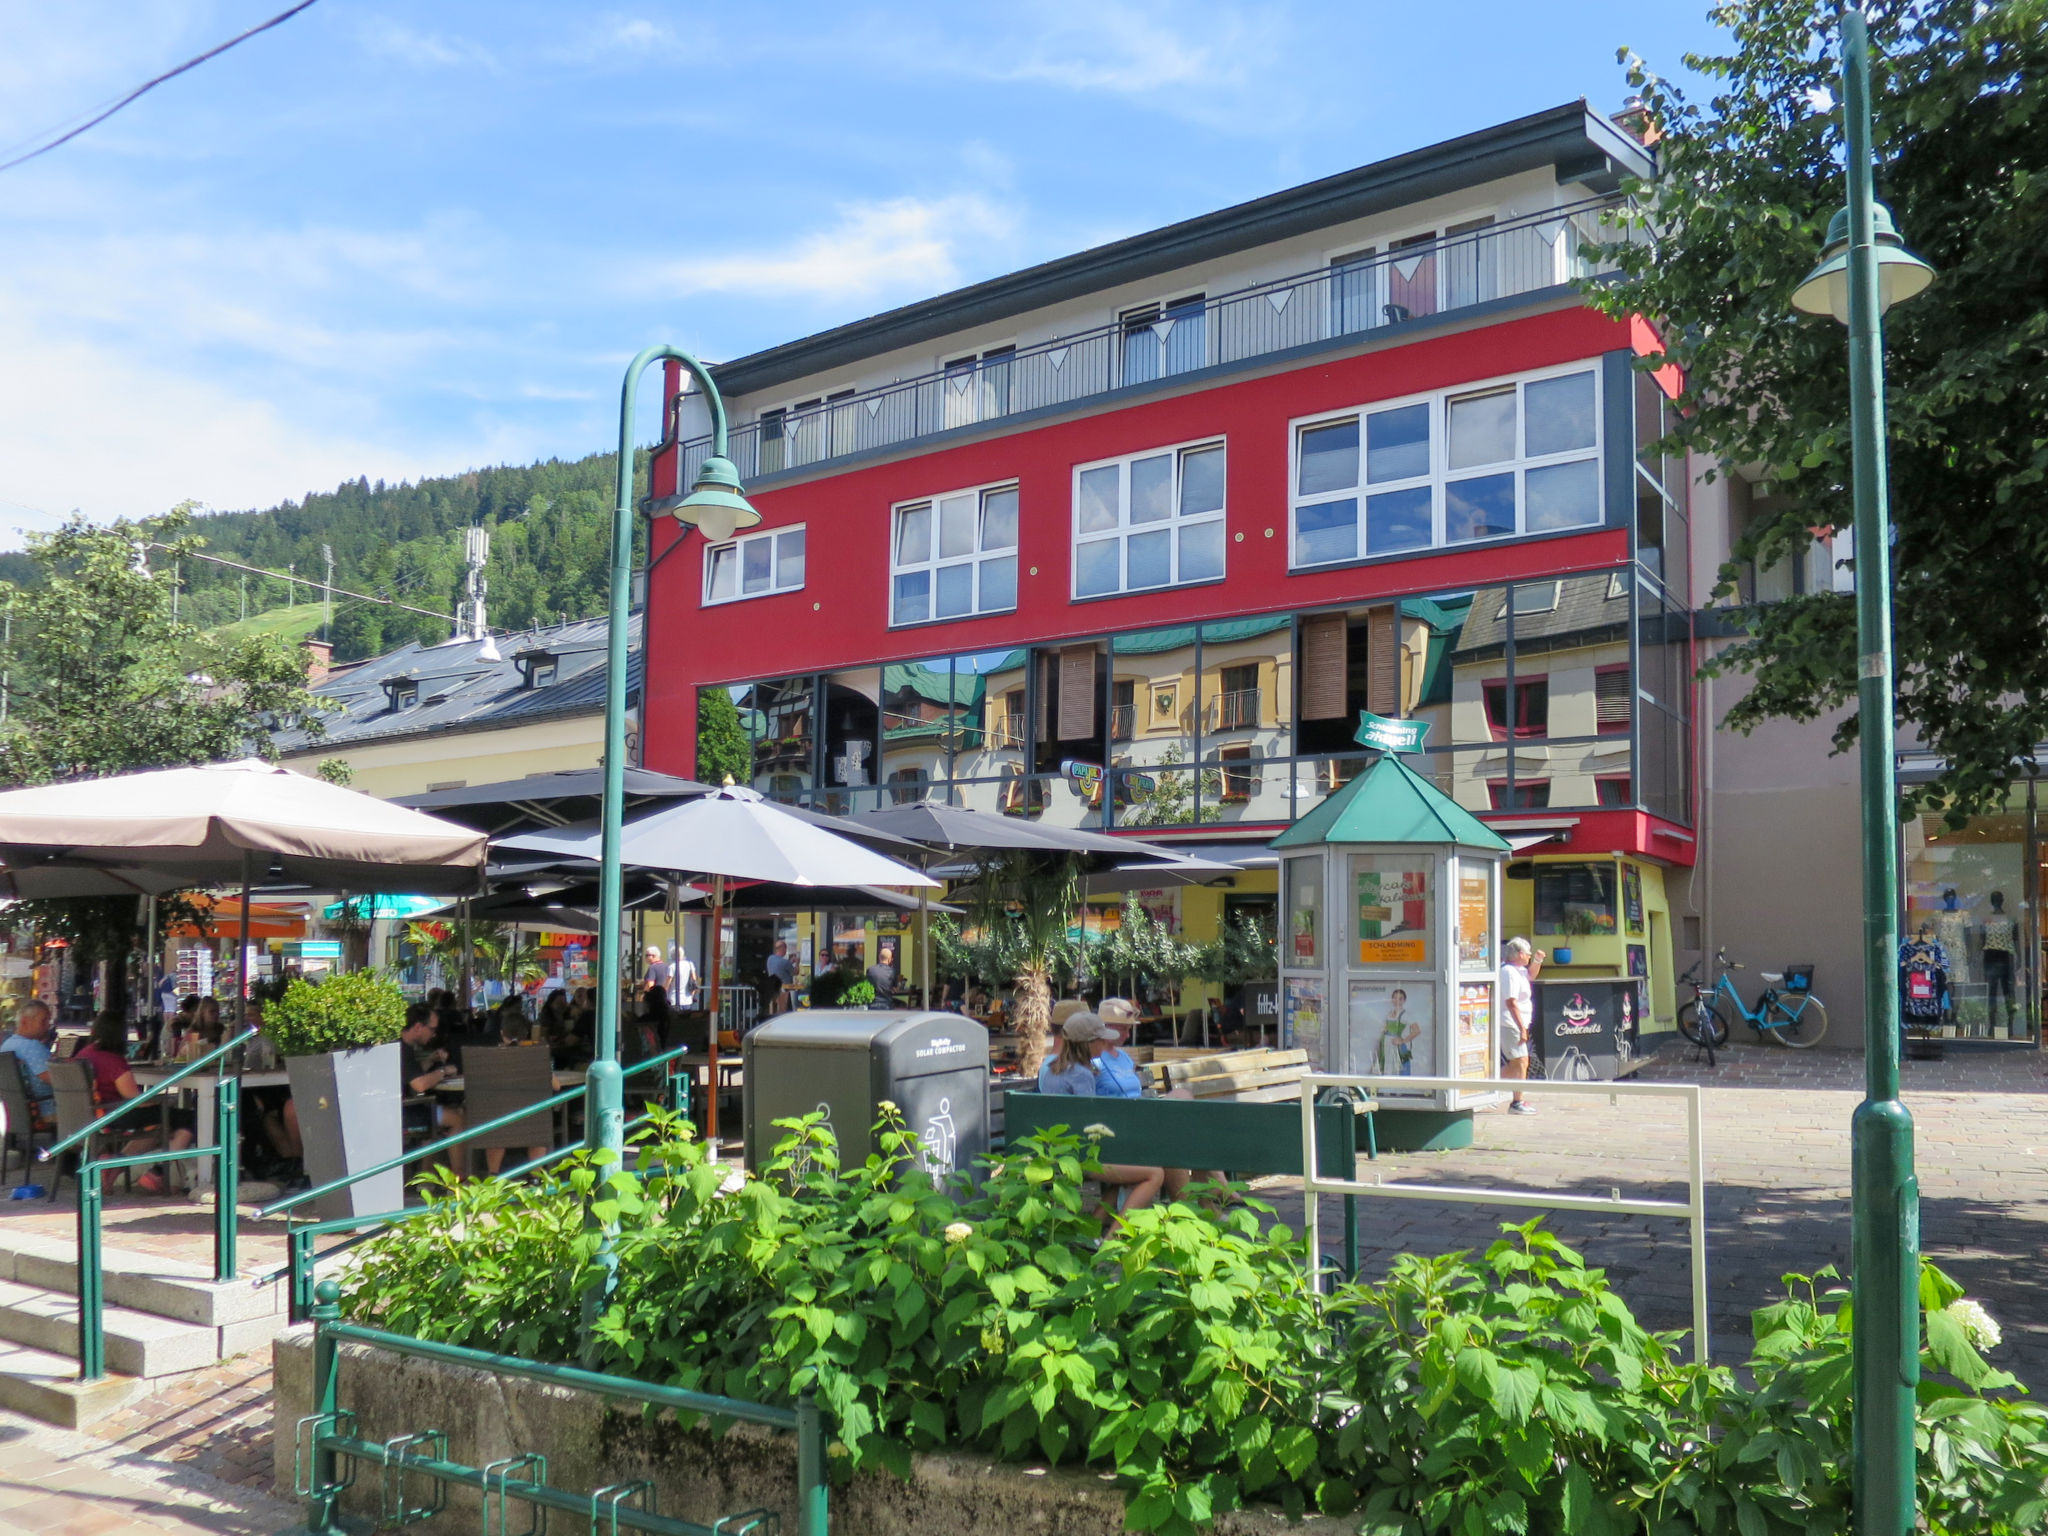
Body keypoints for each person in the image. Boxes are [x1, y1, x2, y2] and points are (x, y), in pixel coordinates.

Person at [1037, 1011, 1166, 1224]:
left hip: (1055, 1149)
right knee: (1154, 1173)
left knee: (1131, 1168)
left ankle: (1093, 1229)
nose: (1106, 1043)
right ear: (1088, 1043)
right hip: (1079, 1157)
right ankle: (1113, 1239)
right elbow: (1091, 1122)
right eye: (1101, 1039)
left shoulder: (1051, 1069)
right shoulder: (1081, 1074)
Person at [75, 1011, 197, 1195]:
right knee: (188, 1119)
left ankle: (113, 1168)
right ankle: (158, 1173)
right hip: (115, 1115)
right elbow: (135, 1099)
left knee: (160, 1126)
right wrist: (162, 1101)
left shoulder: (84, 1054)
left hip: (94, 1115)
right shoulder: (113, 1061)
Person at [0, 999, 57, 1116]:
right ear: (25, 1022)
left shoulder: (7, 1045)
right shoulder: (32, 1046)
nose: (47, 1026)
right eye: (44, 1021)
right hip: (45, 1111)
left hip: (15, 1114)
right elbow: (55, 1080)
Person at [1499, 937, 1536, 1113]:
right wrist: (1521, 1027)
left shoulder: (1519, 970)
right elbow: (1511, 1002)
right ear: (1520, 954)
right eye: (1528, 953)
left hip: (1516, 1023)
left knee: (1516, 1063)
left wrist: (1538, 960)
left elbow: (1532, 974)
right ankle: (1517, 1102)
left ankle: (1485, 1086)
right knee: (1521, 1061)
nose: (1529, 956)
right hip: (1510, 1023)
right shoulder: (1508, 972)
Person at [765, 940, 796, 1014]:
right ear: (783, 949)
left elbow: (780, 967)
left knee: (773, 1010)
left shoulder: (770, 959)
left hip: (773, 989)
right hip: (784, 990)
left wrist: (790, 962)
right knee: (783, 1010)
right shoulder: (785, 962)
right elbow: (795, 972)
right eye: (785, 948)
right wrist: (797, 962)